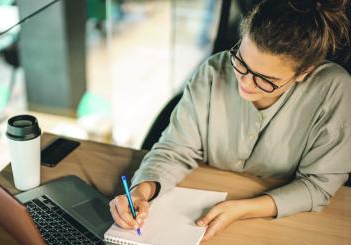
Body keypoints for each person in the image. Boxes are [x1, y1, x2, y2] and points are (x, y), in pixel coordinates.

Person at [109, 0, 351, 241]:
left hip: (282, 229)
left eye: (264, 80)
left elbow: (318, 186)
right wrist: (141, 191)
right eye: (241, 62)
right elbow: (174, 149)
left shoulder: (334, 91)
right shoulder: (214, 71)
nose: (244, 83)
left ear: (304, 72)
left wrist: (242, 209)